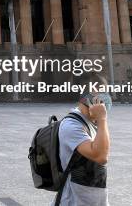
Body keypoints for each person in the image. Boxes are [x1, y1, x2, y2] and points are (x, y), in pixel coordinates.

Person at [55, 73, 111, 206]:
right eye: (100, 96)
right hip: (74, 200)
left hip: (93, 198)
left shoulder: (92, 122)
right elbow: (101, 156)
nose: (105, 102)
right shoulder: (71, 125)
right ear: (86, 97)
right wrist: (102, 119)